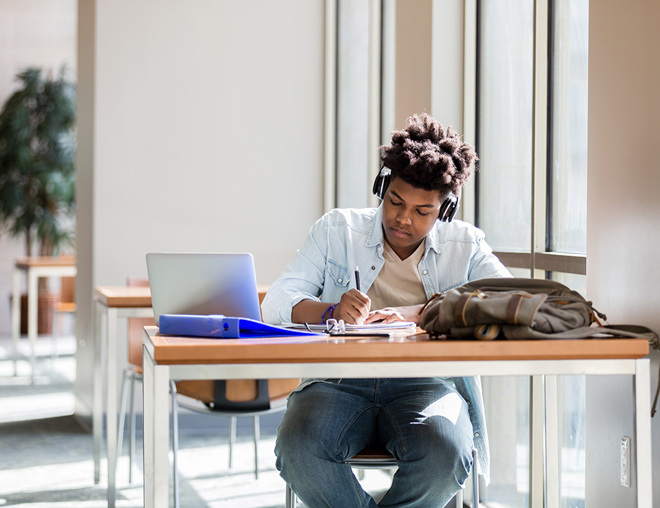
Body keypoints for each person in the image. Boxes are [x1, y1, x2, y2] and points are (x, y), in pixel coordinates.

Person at [261, 113, 511, 507]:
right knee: (299, 448)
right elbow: (275, 304)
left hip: (426, 382)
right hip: (337, 383)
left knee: (446, 455)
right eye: (395, 201)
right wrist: (330, 312)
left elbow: (507, 300)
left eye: (422, 211)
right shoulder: (336, 230)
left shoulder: (465, 244)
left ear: (444, 210)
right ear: (382, 186)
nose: (403, 218)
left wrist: (419, 314)